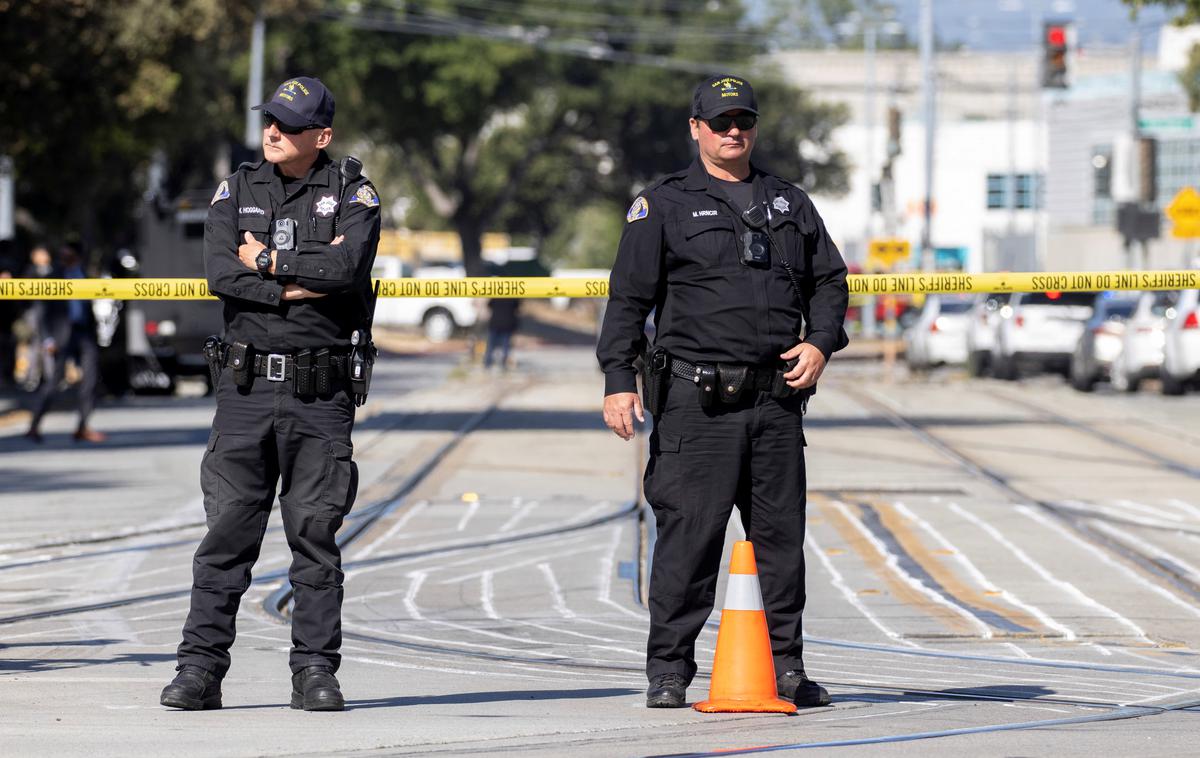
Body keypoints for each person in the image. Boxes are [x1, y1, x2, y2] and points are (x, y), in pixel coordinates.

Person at [596, 75, 849, 709]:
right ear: (696, 129)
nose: (733, 131)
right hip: (696, 405)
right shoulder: (664, 205)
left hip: (775, 403)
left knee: (780, 543)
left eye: (743, 121)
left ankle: (786, 668)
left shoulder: (789, 202)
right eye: (720, 122)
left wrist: (820, 343)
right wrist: (618, 383)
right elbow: (628, 302)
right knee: (690, 540)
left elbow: (830, 281)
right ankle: (669, 671)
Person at [160, 76, 381, 712]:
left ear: (323, 136)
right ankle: (199, 671)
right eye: (270, 121)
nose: (273, 132)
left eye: (287, 125)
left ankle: (315, 671)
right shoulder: (238, 188)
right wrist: (293, 282)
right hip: (245, 389)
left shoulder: (353, 193)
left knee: (314, 535)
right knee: (227, 534)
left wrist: (268, 262)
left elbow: (346, 273)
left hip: (319, 394)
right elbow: (218, 274)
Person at [25, 243, 106, 443]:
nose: (64, 258)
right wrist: (47, 339)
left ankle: (82, 426)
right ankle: (34, 426)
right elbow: (42, 311)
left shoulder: (84, 274)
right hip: (61, 336)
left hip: (84, 333)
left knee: (91, 380)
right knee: (53, 383)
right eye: (61, 255)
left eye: (68, 255)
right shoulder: (53, 277)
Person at [483, 297, 520, 370]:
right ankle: (503, 364)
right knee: (505, 345)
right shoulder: (514, 297)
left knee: (491, 345)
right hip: (507, 323)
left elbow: (489, 305)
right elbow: (517, 308)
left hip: (495, 323)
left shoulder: (496, 295)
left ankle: (487, 363)